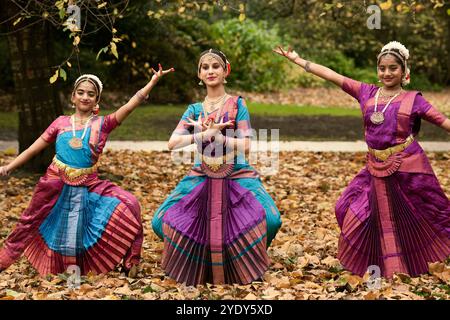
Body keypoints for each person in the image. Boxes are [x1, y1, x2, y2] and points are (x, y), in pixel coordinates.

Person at [274, 41, 450, 278]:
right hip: (374, 166)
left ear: (404, 72)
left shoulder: (413, 100)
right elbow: (333, 76)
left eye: (393, 68)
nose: (387, 73)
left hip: (407, 167)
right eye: (382, 68)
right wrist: (298, 61)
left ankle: (406, 266)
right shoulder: (366, 92)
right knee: (345, 207)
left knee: (427, 212)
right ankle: (375, 261)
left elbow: (443, 122)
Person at [0, 64, 174, 276]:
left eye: (91, 94)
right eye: (80, 93)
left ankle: (131, 261)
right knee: (28, 221)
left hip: (89, 184)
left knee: (130, 203)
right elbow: (32, 149)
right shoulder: (60, 123)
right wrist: (8, 167)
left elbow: (130, 106)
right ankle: (3, 261)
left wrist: (152, 82)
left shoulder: (103, 123)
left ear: (96, 100)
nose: (85, 97)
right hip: (54, 182)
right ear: (72, 97)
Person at [152, 49, 282, 285]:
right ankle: (201, 262)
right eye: (205, 67)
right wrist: (202, 134)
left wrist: (220, 138)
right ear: (199, 74)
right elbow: (173, 143)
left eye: (215, 66)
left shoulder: (236, 104)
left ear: (225, 71)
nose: (210, 71)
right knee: (159, 221)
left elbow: (246, 145)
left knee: (272, 220)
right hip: (202, 172)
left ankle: (248, 258)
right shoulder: (194, 110)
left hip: (236, 170)